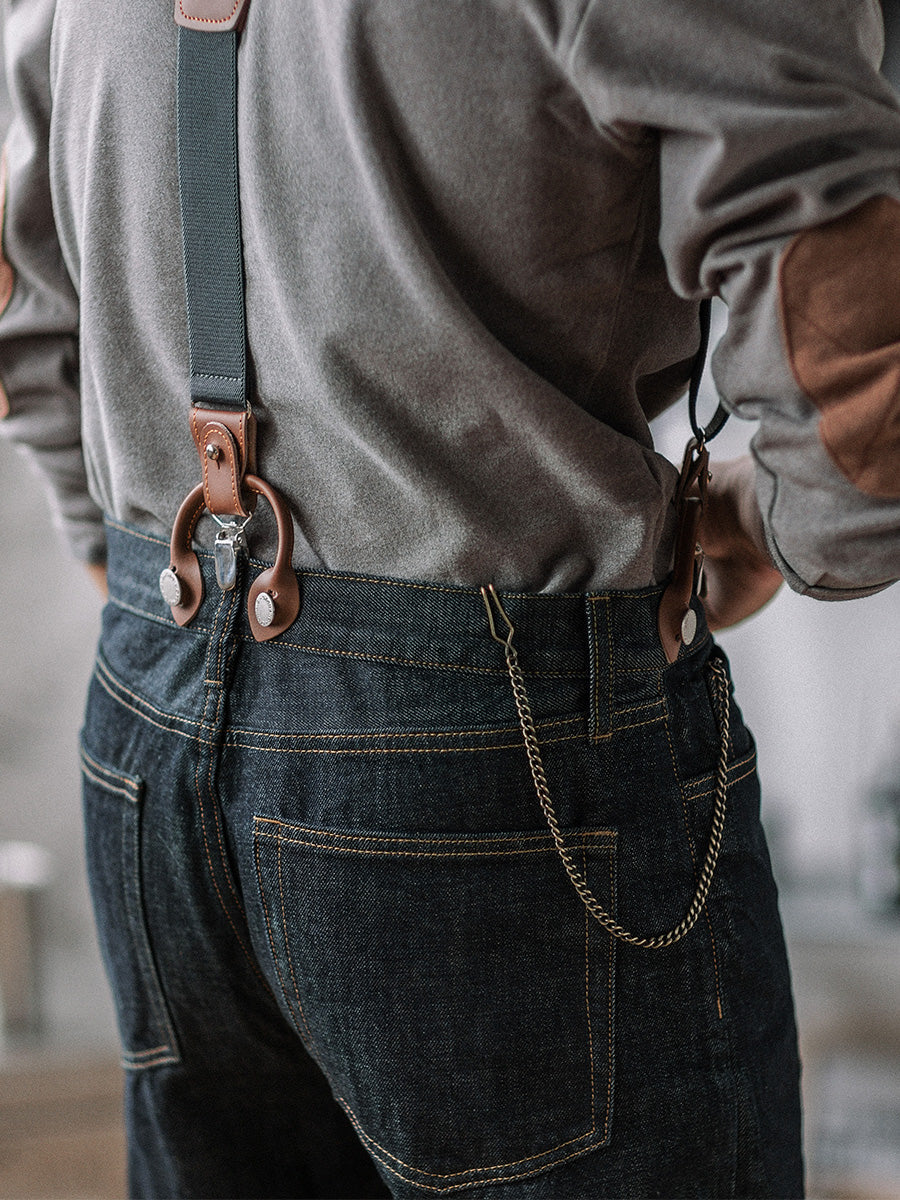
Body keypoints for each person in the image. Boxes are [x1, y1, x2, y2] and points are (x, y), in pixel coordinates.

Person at [1, 1, 898, 1196]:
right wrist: (768, 520)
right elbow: (864, 393)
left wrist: (136, 578)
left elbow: (25, 304)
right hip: (496, 747)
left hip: (148, 713)